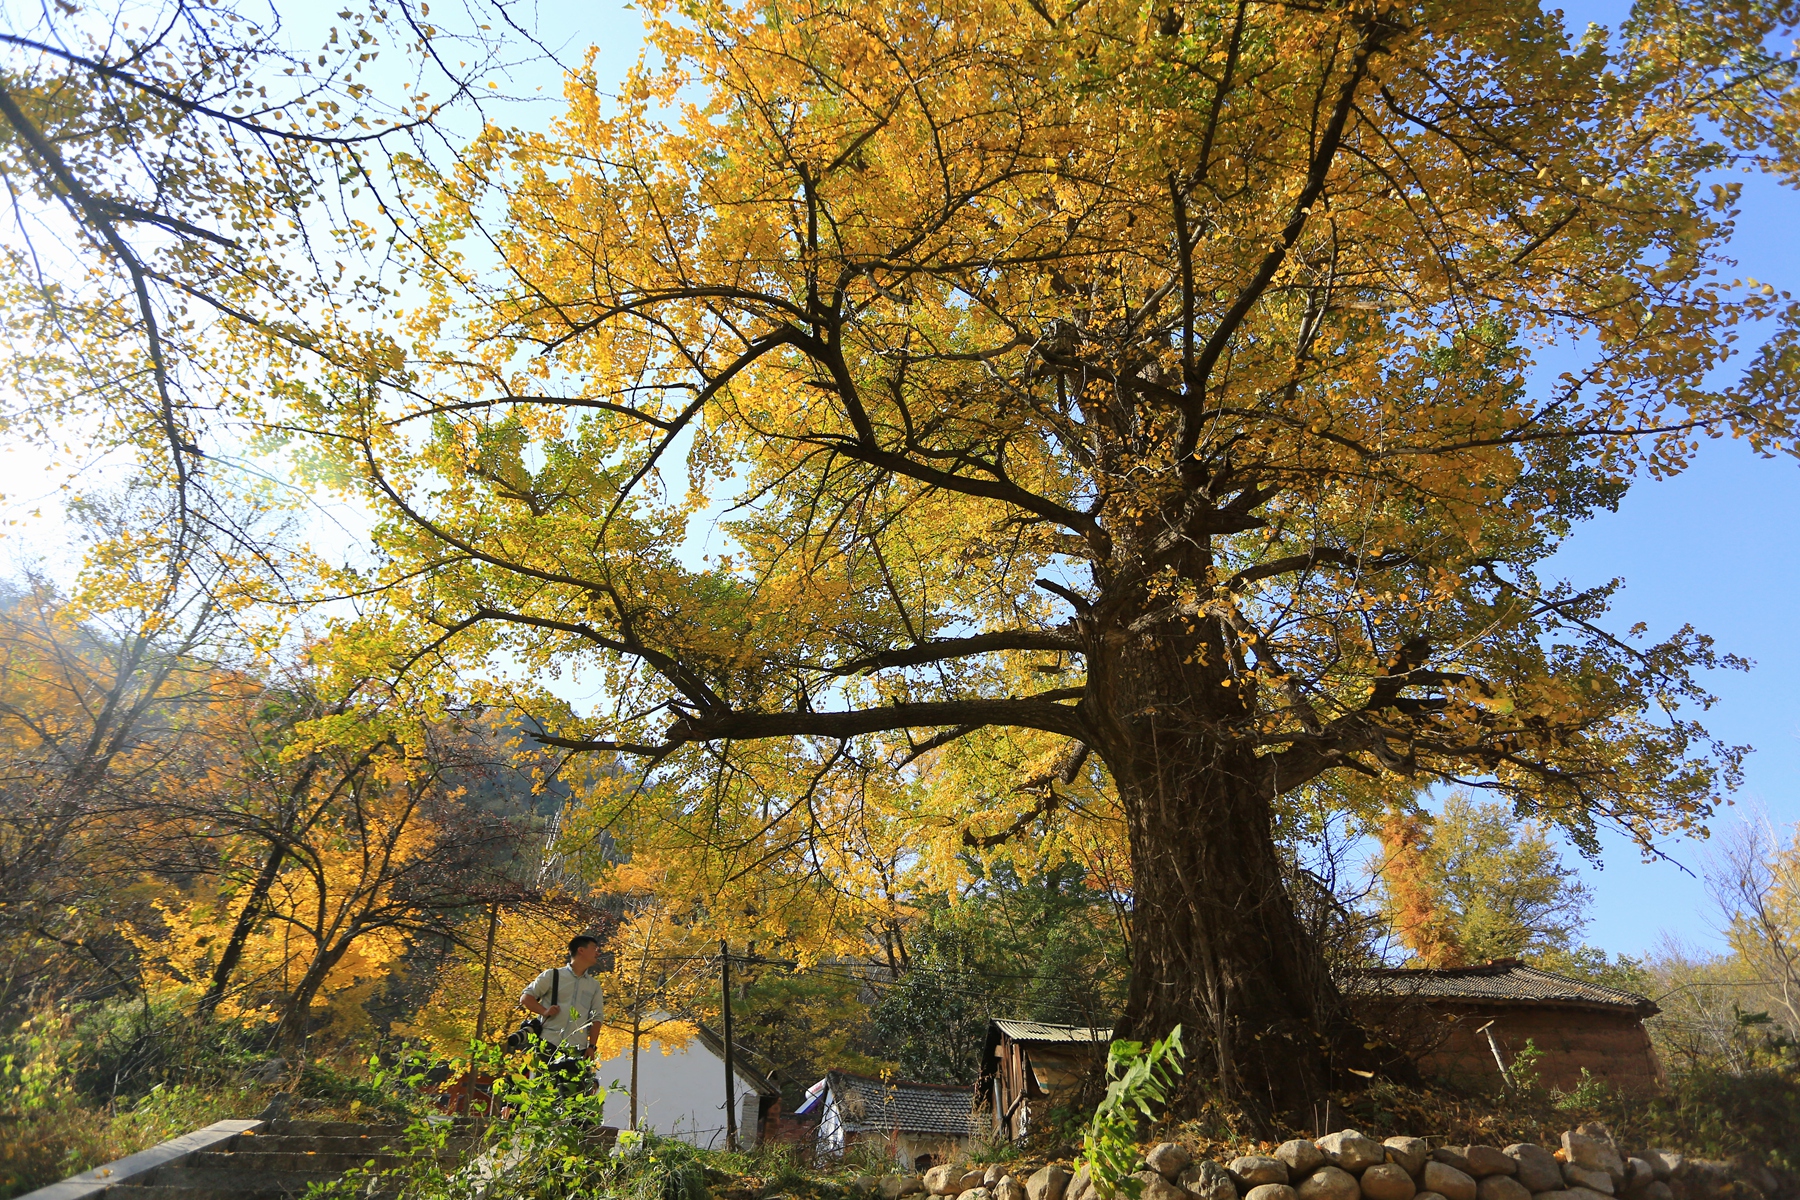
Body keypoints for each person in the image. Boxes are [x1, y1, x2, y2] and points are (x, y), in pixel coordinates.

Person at [520, 935, 606, 1090]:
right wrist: (544, 1011)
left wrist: (592, 1046)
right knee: (542, 1094)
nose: (597, 953)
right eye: (594, 948)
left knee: (574, 1101)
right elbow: (526, 997)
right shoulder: (552, 975)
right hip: (547, 1044)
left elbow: (597, 1018)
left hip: (577, 1050)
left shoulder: (594, 986)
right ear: (581, 950)